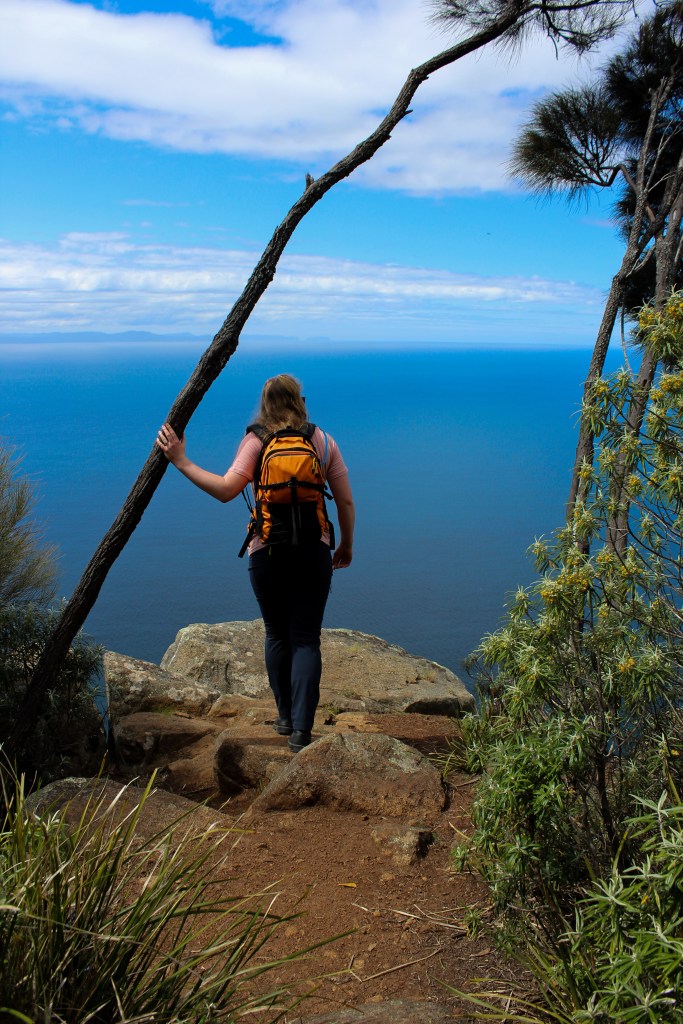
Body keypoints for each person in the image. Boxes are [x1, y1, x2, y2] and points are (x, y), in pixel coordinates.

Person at [156, 373, 355, 753]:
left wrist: (180, 460)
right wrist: (345, 543)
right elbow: (345, 500)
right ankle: (302, 732)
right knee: (306, 639)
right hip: (314, 550)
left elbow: (226, 490)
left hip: (266, 553)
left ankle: (284, 718)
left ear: (265, 405)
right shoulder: (322, 441)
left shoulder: (256, 441)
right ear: (300, 401)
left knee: (277, 633)